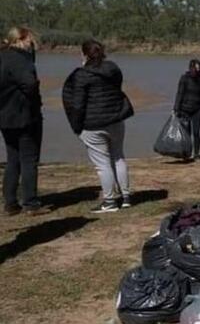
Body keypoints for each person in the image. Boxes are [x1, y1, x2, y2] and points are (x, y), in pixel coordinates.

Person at [63, 39, 134, 213]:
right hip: (116, 119)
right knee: (118, 157)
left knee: (102, 164)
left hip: (93, 124)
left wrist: (76, 127)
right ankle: (125, 197)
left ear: (84, 54)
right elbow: (117, 89)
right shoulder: (113, 69)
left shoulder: (81, 75)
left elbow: (77, 104)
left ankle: (109, 202)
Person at [0, 26, 47, 215]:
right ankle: (31, 203)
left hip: (5, 115)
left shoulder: (3, 56)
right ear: (21, 39)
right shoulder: (19, 59)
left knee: (13, 159)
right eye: (31, 40)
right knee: (29, 159)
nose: (33, 44)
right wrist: (34, 102)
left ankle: (10, 202)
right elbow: (29, 83)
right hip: (24, 115)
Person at [173, 59, 200, 160]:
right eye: (194, 68)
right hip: (184, 110)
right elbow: (179, 94)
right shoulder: (184, 79)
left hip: (196, 110)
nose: (196, 71)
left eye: (198, 69)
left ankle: (196, 154)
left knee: (196, 133)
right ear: (190, 68)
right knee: (186, 133)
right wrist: (176, 109)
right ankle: (187, 154)